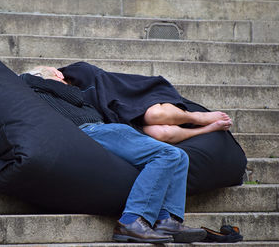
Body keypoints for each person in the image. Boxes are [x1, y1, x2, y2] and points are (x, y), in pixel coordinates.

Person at [20, 67, 207, 243]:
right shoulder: (39, 86)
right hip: (92, 131)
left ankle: (169, 221)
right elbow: (75, 96)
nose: (67, 80)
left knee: (180, 156)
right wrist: (53, 78)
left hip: (99, 131)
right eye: (60, 75)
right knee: (167, 154)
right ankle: (132, 220)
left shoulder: (43, 91)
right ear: (53, 74)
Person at [53, 62, 232, 144]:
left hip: (130, 96)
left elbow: (99, 79)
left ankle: (196, 117)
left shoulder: (76, 72)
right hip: (118, 120)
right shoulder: (59, 101)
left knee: (155, 115)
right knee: (161, 133)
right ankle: (206, 129)